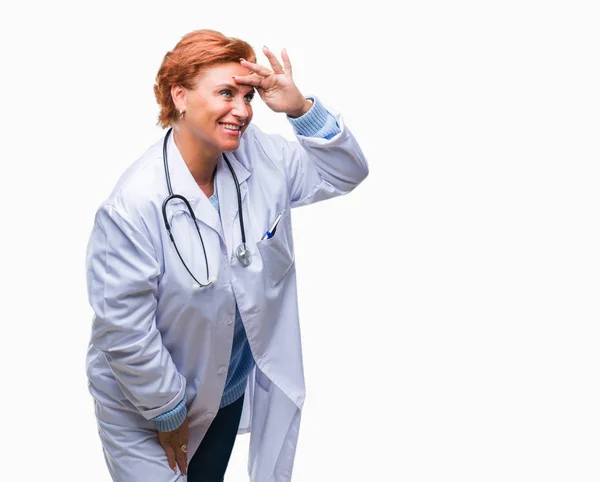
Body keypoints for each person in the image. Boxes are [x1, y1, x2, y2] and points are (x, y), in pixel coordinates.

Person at [85, 29, 368, 482]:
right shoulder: (134, 204)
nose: (243, 110)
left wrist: (299, 109)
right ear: (180, 96)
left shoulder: (261, 160)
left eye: (248, 95)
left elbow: (345, 172)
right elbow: (122, 326)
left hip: (226, 389)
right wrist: (167, 409)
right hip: (145, 401)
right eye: (225, 93)